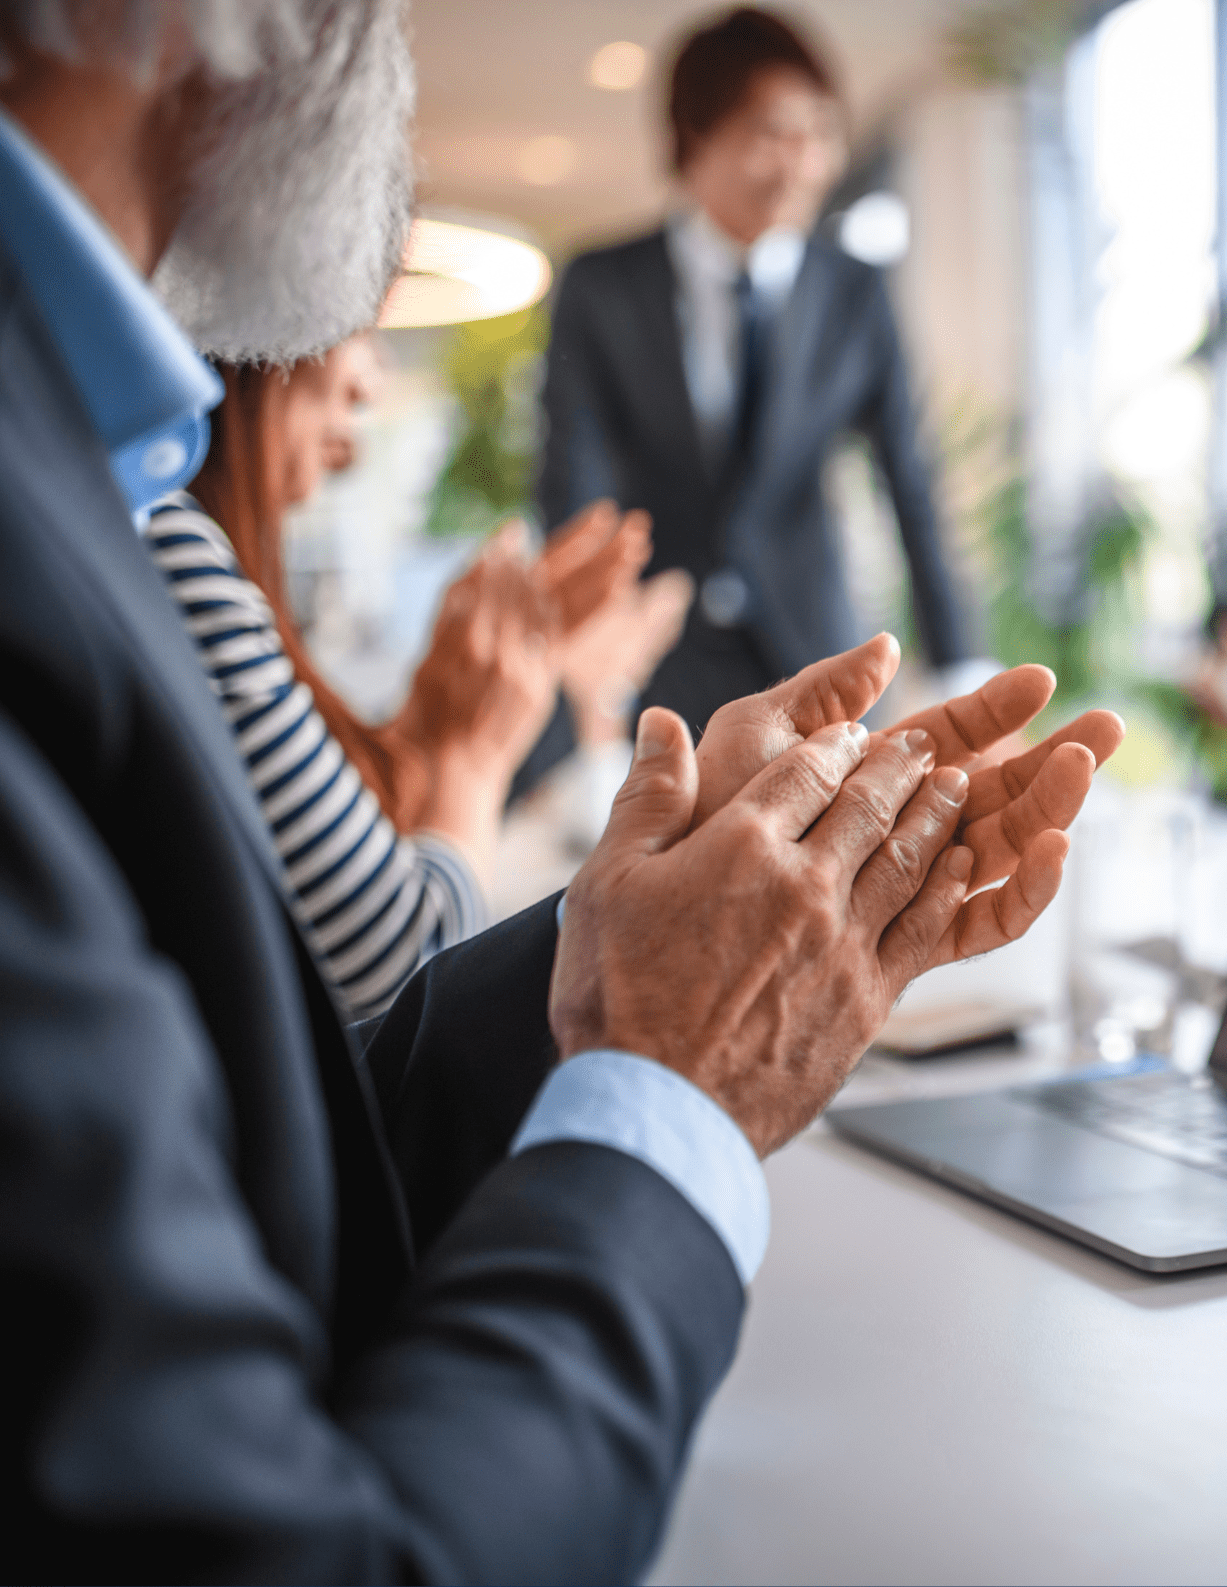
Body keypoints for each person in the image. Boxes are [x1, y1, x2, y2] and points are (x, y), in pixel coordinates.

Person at [0, 4, 1123, 1579]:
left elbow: (266, 1120)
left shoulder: (86, 464)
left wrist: (617, 946)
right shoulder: (90, 503)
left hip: (800, 644)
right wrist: (675, 1092)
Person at [144, 334, 694, 1017]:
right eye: (361, 324)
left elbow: (338, 850)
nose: (372, 380)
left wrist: (470, 696)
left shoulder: (165, 536)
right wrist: (471, 750)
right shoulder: (166, 543)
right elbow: (405, 975)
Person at [538, 5, 983, 737]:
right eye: (771, 134)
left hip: (814, 651)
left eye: (820, 134)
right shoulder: (601, 288)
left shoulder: (855, 292)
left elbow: (911, 479)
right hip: (660, 663)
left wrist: (965, 671)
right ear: (694, 137)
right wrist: (589, 648)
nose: (803, 164)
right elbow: (574, 480)